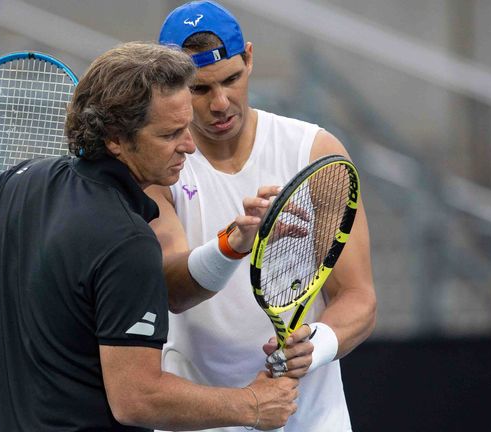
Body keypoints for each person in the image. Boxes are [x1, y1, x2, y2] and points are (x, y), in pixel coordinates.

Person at [0, 42, 298, 432]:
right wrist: (252, 405)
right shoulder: (129, 243)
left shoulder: (21, 182)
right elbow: (138, 398)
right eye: (170, 134)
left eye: (187, 128)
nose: (189, 146)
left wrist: (37, 284)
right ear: (115, 139)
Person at [149, 2, 377, 431]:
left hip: (311, 419)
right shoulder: (157, 167)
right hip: (200, 418)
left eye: (232, 79)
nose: (221, 103)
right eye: (199, 89)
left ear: (249, 58)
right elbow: (173, 289)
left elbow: (358, 298)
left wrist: (317, 345)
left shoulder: (315, 152)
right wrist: (231, 244)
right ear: (169, 86)